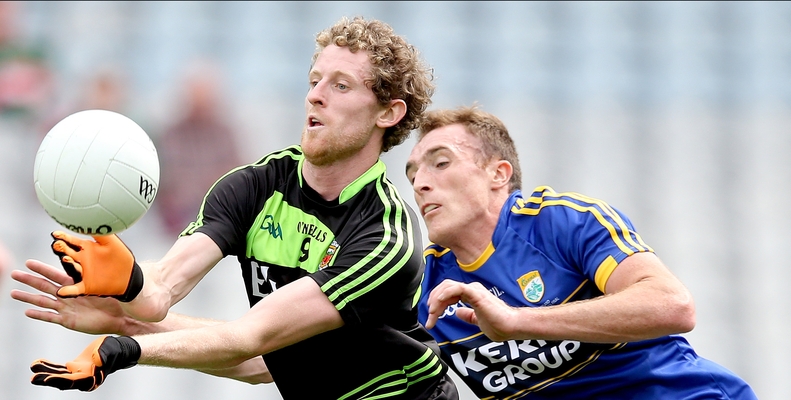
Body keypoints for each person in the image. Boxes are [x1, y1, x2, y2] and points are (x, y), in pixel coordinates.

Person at [10, 16, 458, 400]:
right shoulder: (254, 186)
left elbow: (250, 342)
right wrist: (127, 296)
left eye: (341, 85)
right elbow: (162, 295)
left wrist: (126, 349)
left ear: (388, 114)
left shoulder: (384, 236)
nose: (315, 96)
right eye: (314, 80)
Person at [404, 106, 758, 399]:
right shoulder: (426, 290)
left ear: (498, 174)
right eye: (413, 174)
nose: (420, 183)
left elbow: (673, 306)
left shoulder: (560, 221)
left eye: (441, 163)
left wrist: (516, 322)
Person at [156, 60, 243, 235]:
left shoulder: (225, 133)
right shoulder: (172, 133)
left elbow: (237, 172)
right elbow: (168, 176)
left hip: (219, 218)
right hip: (176, 221)